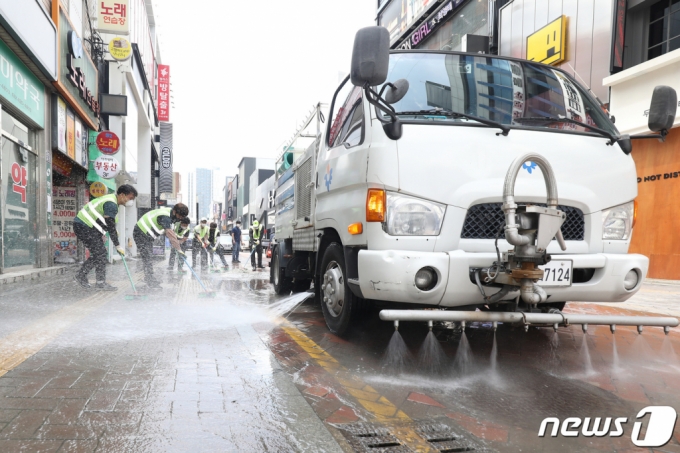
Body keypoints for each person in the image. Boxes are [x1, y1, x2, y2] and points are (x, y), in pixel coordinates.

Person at [73, 184, 138, 290]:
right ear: (122, 195)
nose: (130, 201)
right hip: (83, 226)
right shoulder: (111, 204)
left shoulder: (111, 202)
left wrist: (113, 231)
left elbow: (108, 224)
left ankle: (98, 281)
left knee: (100, 254)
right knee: (100, 253)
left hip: (85, 227)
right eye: (130, 198)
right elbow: (110, 225)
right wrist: (117, 245)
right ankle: (86, 277)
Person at [134, 204, 189, 289]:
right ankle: (150, 280)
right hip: (140, 233)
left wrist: (174, 243)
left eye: (182, 217)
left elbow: (168, 234)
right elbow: (170, 234)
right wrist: (179, 249)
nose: (181, 218)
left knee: (148, 257)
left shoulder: (171, 216)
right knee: (147, 257)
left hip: (146, 236)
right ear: (175, 212)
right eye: (180, 216)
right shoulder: (165, 216)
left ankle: (149, 278)